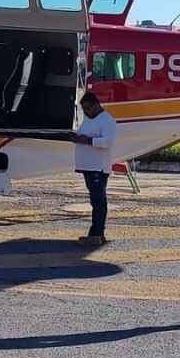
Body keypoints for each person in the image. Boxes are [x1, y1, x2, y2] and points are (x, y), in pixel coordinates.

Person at [71, 92, 118, 246]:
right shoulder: (89, 119)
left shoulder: (107, 120)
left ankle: (96, 234)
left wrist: (88, 141)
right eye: (84, 109)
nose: (86, 112)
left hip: (98, 167)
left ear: (97, 105)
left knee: (98, 201)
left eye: (88, 109)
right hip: (88, 167)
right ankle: (97, 234)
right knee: (95, 200)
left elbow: (108, 142)